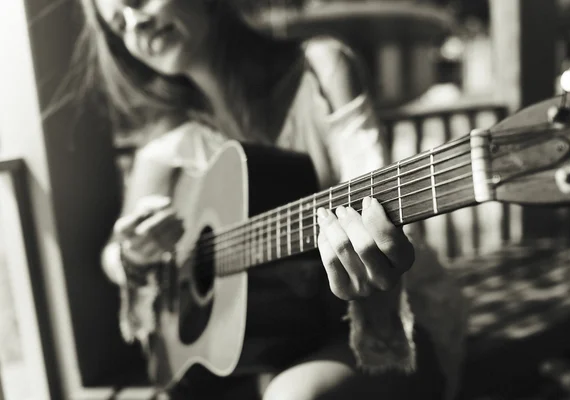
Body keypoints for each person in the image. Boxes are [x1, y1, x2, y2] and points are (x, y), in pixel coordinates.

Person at [78, 0, 468, 398]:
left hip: (371, 321)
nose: (135, 24)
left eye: (136, 2)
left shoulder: (318, 69)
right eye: (118, 24)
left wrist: (369, 242)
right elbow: (114, 255)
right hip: (261, 344)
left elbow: (376, 197)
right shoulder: (169, 142)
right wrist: (134, 253)